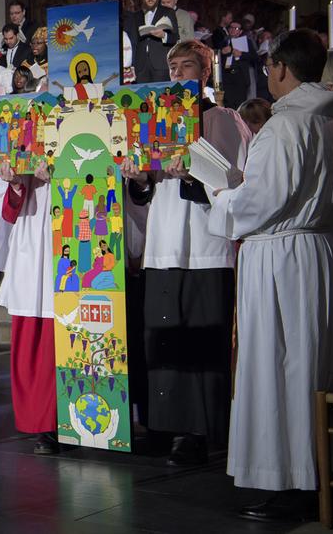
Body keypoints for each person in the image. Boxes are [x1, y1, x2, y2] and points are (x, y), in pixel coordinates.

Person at [207, 29, 333, 521]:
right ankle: (325, 468)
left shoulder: (283, 127)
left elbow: (260, 202)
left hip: (281, 258)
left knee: (281, 361)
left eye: (270, 68)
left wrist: (220, 194)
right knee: (317, 361)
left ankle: (290, 479)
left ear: (282, 69)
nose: (268, 75)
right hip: (322, 253)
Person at [120, 41, 252, 467]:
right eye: (173, 67)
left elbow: (232, 184)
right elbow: (146, 195)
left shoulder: (221, 119)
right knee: (163, 341)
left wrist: (192, 171)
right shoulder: (155, 122)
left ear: (205, 71)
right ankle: (162, 426)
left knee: (198, 343)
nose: (177, 75)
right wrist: (139, 179)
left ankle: (198, 432)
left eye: (187, 67)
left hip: (204, 249)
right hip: (162, 247)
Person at [0, 161, 57, 454]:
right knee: (34, 336)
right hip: (33, 235)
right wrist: (16, 181)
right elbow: (6, 210)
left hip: (78, 228)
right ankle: (43, 424)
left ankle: (77, 420)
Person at [130, 0, 179, 83]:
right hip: (141, 65)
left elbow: (175, 37)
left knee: (161, 97)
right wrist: (132, 65)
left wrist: (164, 35)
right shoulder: (136, 16)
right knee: (142, 97)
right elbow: (133, 42)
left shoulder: (168, 12)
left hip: (161, 64)